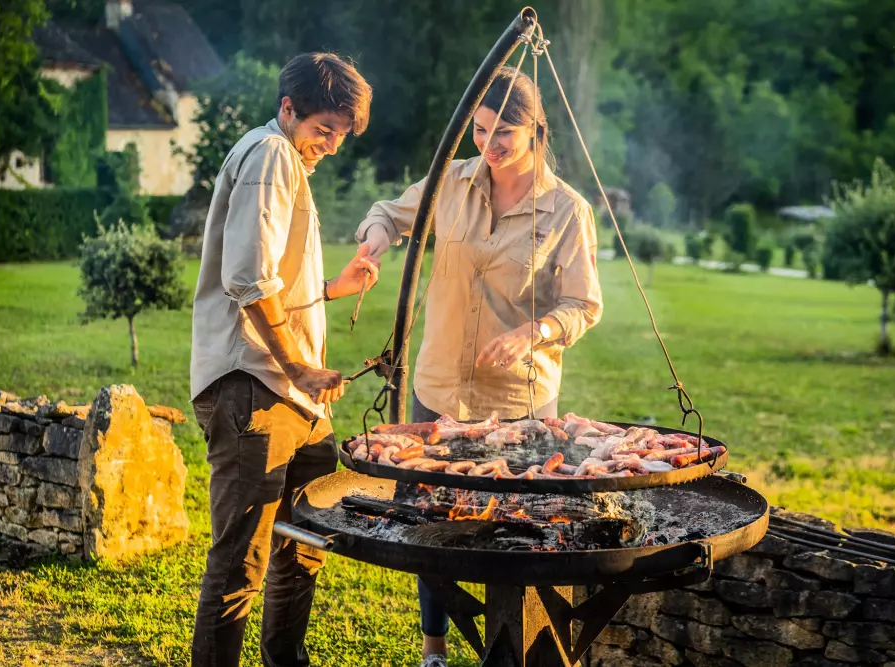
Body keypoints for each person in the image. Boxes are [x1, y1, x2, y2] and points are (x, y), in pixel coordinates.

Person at [354, 67, 603, 667]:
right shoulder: (452, 181)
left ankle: (518, 647)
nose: (489, 145)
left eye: (504, 134)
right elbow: (388, 212)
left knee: (514, 531)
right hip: (439, 389)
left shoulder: (567, 210)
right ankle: (434, 651)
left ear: (535, 131)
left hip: (517, 402)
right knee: (430, 526)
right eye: (481, 129)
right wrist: (375, 240)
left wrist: (535, 332)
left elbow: (584, 305)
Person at [189, 52, 377, 667]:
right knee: (240, 555)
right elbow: (246, 280)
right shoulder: (270, 156)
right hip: (254, 387)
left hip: (291, 397)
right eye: (324, 128)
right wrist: (297, 365)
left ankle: (284, 659)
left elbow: (276, 275)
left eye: (341, 134)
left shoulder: (286, 161)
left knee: (310, 525)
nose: (332, 143)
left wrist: (329, 290)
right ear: (288, 108)